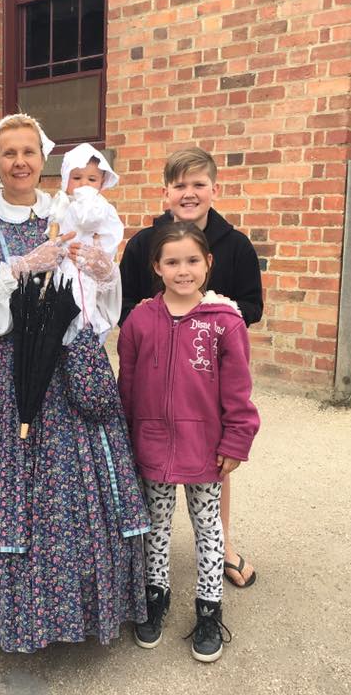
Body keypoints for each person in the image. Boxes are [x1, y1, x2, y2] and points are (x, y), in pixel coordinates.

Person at [0, 113, 149, 653]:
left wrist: (105, 273)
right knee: (13, 481)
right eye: (9, 153)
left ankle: (87, 609)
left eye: (29, 152)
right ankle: (13, 616)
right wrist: (17, 268)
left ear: (44, 159)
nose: (20, 162)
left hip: (69, 361)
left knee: (78, 480)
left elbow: (98, 304)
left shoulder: (69, 211)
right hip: (8, 375)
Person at [118, 146, 263, 589]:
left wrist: (214, 308)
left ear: (214, 189)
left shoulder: (235, 245)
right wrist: (147, 310)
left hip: (207, 373)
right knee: (155, 470)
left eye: (198, 184)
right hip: (159, 373)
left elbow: (253, 305)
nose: (189, 192)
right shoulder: (145, 243)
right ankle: (149, 563)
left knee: (213, 461)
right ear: (165, 192)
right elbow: (122, 306)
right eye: (180, 185)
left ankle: (223, 544)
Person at [118, 221, 260, 662]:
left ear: (208, 264)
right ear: (156, 267)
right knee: (156, 525)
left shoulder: (225, 323)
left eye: (192, 260)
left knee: (208, 528)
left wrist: (236, 441)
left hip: (205, 448)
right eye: (172, 261)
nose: (183, 270)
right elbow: (128, 384)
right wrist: (125, 436)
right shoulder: (139, 320)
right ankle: (155, 597)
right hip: (154, 444)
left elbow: (238, 390)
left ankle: (208, 608)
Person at [47, 143, 125, 344]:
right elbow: (53, 229)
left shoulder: (99, 206)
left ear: (101, 183)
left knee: (85, 297)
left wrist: (99, 253)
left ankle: (86, 330)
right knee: (62, 294)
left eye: (92, 180)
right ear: (65, 180)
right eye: (76, 178)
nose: (84, 185)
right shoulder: (61, 203)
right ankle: (64, 330)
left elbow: (97, 226)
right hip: (64, 261)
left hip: (88, 262)